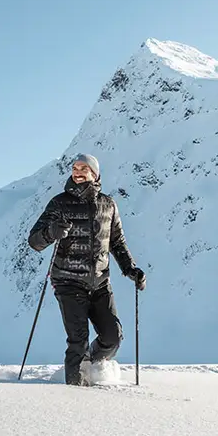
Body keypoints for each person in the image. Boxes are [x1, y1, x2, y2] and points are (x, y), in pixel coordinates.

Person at [28, 153, 146, 385]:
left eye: (84, 168)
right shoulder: (59, 203)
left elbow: (117, 242)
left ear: (95, 174)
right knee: (78, 340)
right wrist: (52, 232)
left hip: (100, 282)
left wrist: (131, 269)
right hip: (68, 281)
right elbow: (34, 241)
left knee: (113, 337)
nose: (78, 171)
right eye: (75, 167)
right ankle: (75, 389)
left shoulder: (108, 204)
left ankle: (91, 365)